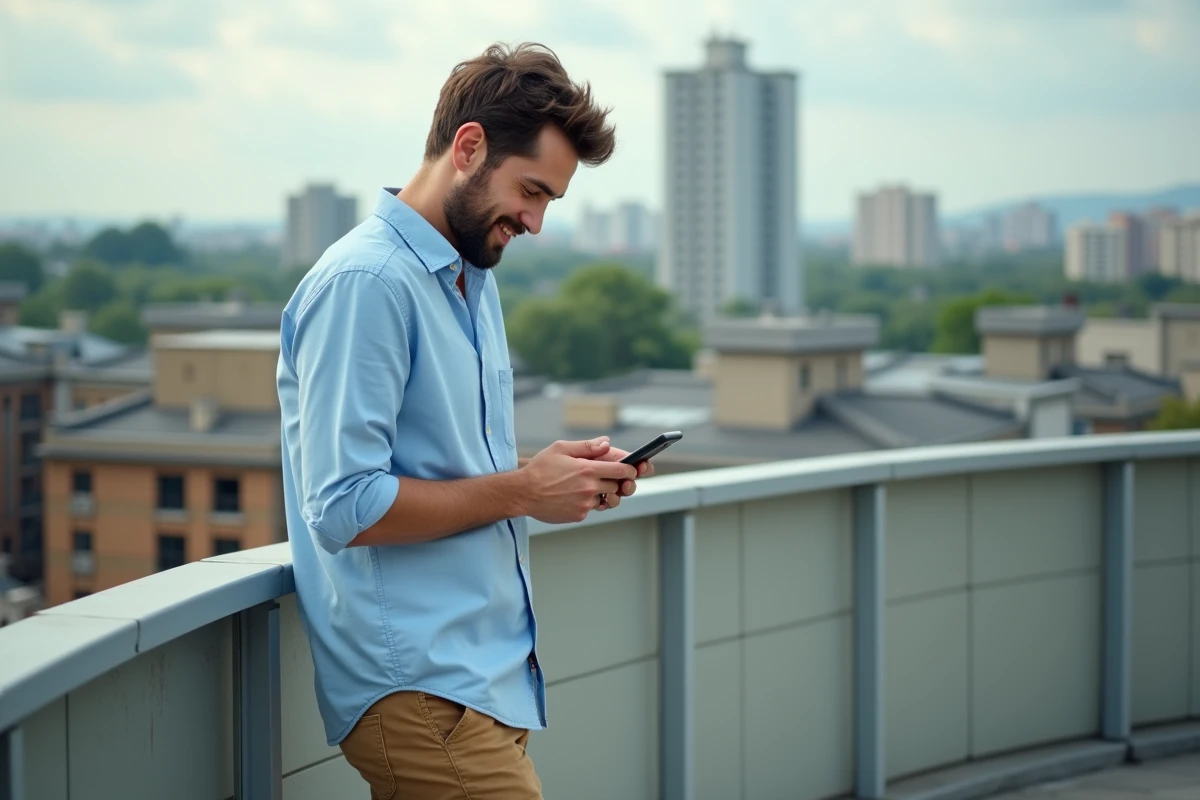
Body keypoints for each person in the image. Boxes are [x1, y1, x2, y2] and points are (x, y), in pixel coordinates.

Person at [276, 42, 651, 798]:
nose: (538, 222)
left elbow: (454, 474)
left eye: (550, 201)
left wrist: (551, 480)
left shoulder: (469, 279)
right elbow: (344, 506)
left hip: (482, 685)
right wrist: (520, 492)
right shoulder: (368, 283)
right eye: (531, 191)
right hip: (418, 689)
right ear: (470, 147)